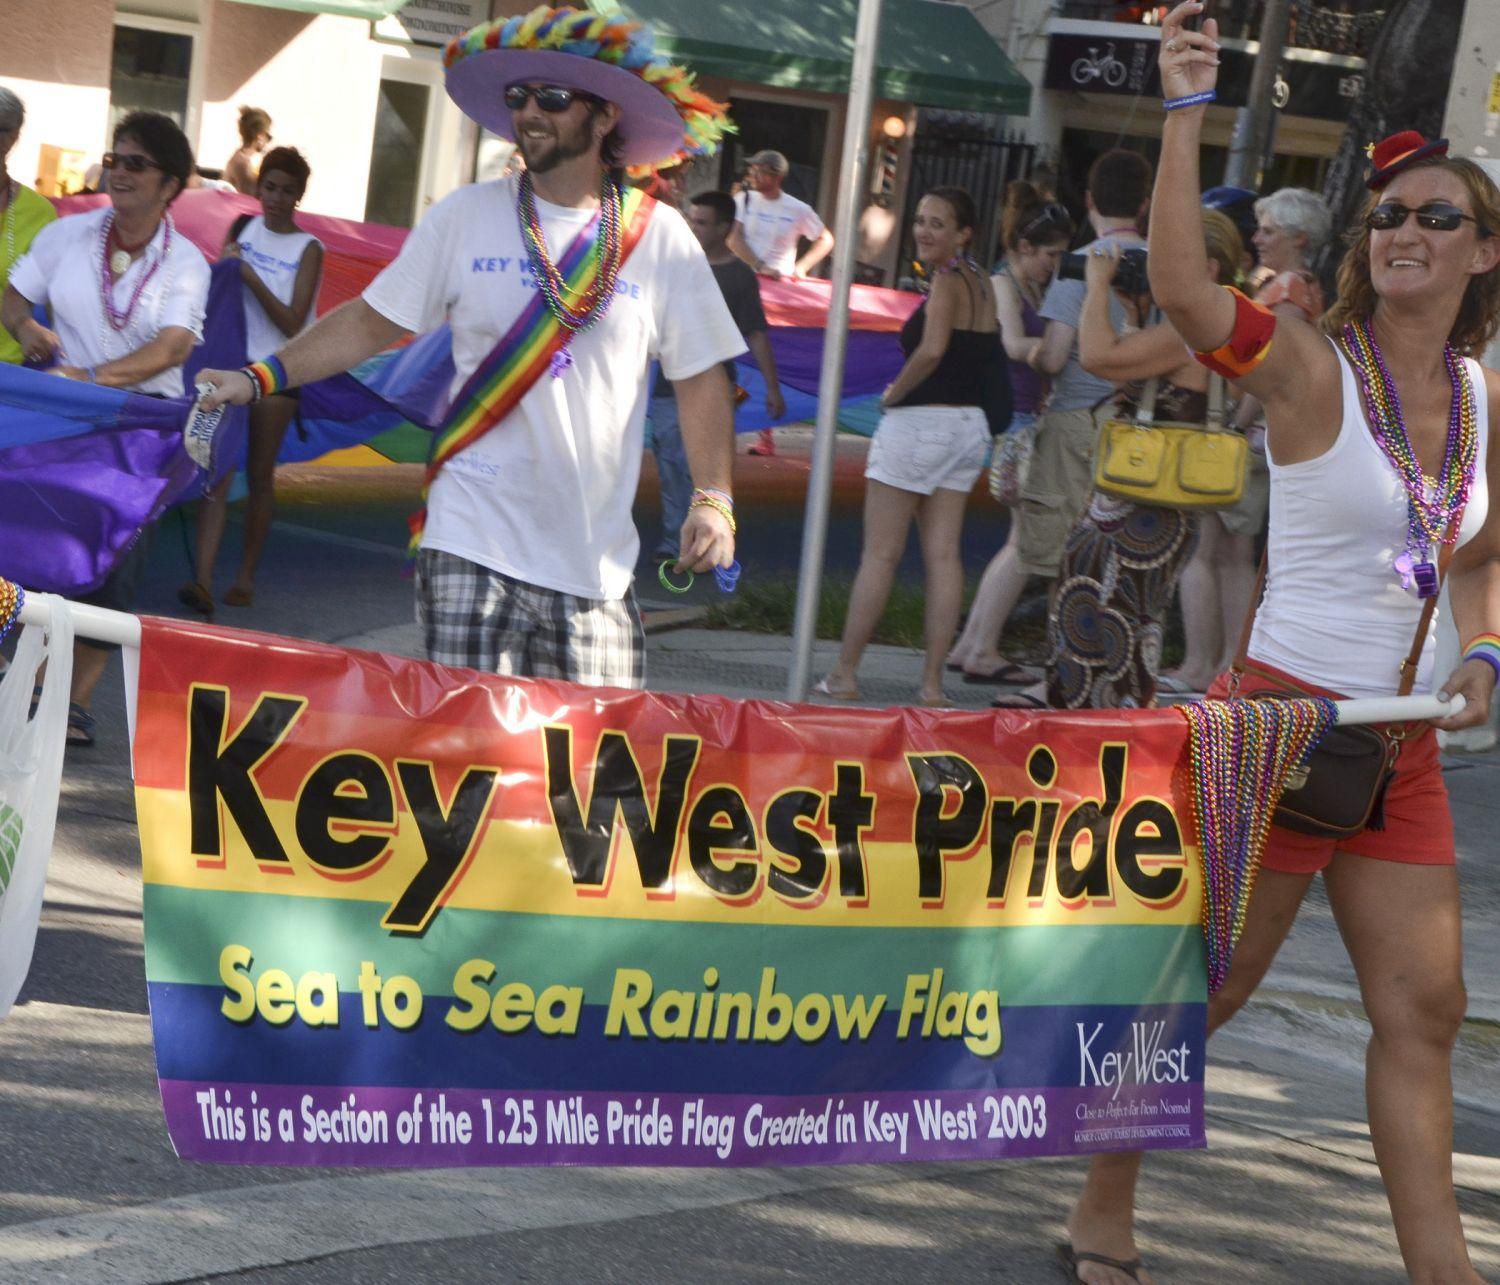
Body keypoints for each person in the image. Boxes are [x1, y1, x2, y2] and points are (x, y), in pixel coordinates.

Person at [1058, 7, 1500, 1282]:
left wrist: (1484, 656)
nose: (1404, 231)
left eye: (1435, 216)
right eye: (1390, 216)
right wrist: (1189, 107)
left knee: (1425, 1009)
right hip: (1283, 729)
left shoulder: (1479, 399)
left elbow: (1474, 556)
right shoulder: (1311, 363)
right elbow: (1192, 296)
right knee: (1210, 989)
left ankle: (1442, 1265)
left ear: (1484, 252)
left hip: (1401, 747)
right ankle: (1102, 1202)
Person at [197, 6, 740, 689]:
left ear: (605, 118)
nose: (530, 112)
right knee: (470, 772)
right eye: (519, 97)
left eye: (554, 97)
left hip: (594, 561)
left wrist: (713, 497)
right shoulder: (464, 217)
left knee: (589, 785)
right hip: (470, 537)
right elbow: (369, 322)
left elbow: (701, 377)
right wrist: (259, 377)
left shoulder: (660, 240)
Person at [1, 111, 211, 748]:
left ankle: (73, 700)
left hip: (140, 429)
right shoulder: (71, 235)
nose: (118, 173)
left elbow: (174, 347)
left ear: (170, 185)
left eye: (136, 164)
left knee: (112, 564)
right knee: (28, 543)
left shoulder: (187, 262)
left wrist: (90, 379)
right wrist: (29, 331)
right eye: (115, 160)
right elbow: (12, 297)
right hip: (61, 417)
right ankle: (22, 671)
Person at [994, 209, 1246, 711]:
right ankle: (1074, 697)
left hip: (1151, 500)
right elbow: (1128, 381)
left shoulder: (1194, 328)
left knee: (1121, 611)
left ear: (1209, 266)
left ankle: (1115, 720)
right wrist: (1131, 313)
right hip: (1132, 492)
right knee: (1091, 587)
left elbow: (1095, 357)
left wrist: (1096, 285)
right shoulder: (1191, 324)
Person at [956, 150, 1153, 685]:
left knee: (1043, 549)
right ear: (1146, 203)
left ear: (1089, 201)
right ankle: (1075, 657)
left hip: (1074, 420)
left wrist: (1024, 348)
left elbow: (1054, 355)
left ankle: (985, 648)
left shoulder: (1083, 264)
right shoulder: (1165, 267)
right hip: (1137, 426)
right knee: (1107, 553)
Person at [816, 186, 999, 708]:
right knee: (944, 555)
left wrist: (893, 393)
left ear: (965, 233)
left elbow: (932, 350)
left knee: (880, 554)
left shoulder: (945, 281)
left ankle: (845, 674)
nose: (924, 230)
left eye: (938, 223)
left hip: (922, 421)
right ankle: (933, 685)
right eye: (920, 219)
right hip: (969, 427)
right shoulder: (983, 282)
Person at [1164, 185, 1332, 694]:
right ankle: (1223, 665)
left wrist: (1234, 424)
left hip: (1250, 435)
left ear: (1299, 239)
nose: (1256, 237)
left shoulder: (1287, 293)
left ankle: (1206, 665)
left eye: (1269, 230)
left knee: (1212, 552)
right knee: (1230, 554)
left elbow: (1272, 369)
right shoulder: (1294, 287)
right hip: (1263, 436)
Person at [180, 147, 324, 616]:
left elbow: (292, 321)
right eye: (270, 188)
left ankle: (244, 577)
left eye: (287, 191)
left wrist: (250, 275)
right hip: (229, 364)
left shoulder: (309, 249)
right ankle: (201, 580)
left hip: (278, 373)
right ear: (258, 188)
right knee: (215, 473)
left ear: (300, 195)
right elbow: (217, 289)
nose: (277, 199)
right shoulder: (242, 227)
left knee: (260, 476)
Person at [946, 181, 1072, 682]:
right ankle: (980, 648)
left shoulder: (1032, 286)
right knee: (1024, 545)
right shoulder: (1004, 284)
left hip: (1027, 418)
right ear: (1023, 247)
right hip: (1018, 421)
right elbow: (1012, 342)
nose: (1054, 264)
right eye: (1049, 254)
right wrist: (1052, 354)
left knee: (1019, 541)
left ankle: (973, 643)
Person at [648, 189, 785, 561]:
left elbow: (756, 333)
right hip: (665, 386)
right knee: (671, 462)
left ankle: (703, 533)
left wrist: (772, 388)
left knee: (702, 464)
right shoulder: (673, 264)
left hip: (714, 385)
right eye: (692, 219)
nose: (694, 227)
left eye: (703, 222)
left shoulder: (740, 277)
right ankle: (676, 537)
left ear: (725, 228)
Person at [0, 89, 58, 366]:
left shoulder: (40, 213)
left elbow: (58, 299)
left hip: (9, 375)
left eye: (3, 128)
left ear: (15, 138)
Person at [727, 149, 833, 280]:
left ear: (777, 177)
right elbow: (733, 239)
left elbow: (826, 239)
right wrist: (761, 267)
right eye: (752, 170)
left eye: (759, 171)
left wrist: (802, 267)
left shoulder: (798, 208)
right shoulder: (743, 199)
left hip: (778, 282)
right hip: (742, 277)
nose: (753, 175)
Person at [224, 106, 272, 197]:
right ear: (260, 136)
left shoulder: (239, 158)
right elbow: (252, 200)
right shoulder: (242, 165)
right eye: (268, 136)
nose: (268, 141)